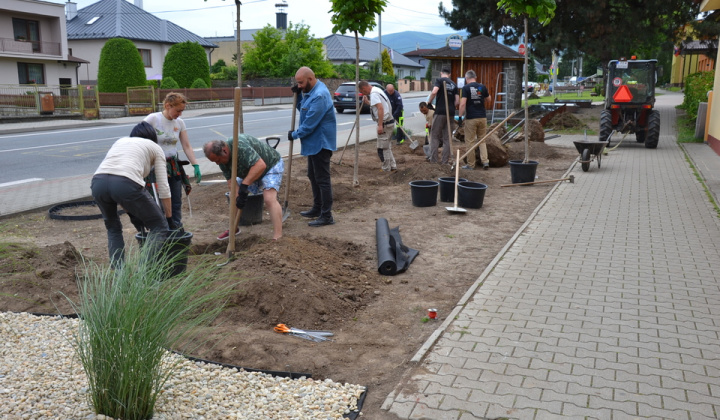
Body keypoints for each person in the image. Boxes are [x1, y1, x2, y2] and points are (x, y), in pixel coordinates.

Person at [91, 121, 172, 267]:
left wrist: (133, 214)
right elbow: (164, 188)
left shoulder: (121, 141)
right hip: (125, 182)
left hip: (98, 182)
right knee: (159, 227)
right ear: (153, 137)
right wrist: (168, 218)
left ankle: (119, 274)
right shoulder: (155, 147)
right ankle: (142, 275)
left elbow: (120, 192)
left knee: (113, 228)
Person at [203, 136, 284, 241]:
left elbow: (260, 165)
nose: (217, 163)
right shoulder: (222, 161)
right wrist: (238, 197)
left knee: (269, 198)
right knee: (234, 198)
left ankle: (278, 236)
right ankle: (233, 228)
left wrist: (245, 185)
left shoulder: (239, 145)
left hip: (270, 166)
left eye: (218, 160)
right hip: (250, 170)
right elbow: (232, 183)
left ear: (224, 151)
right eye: (214, 162)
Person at [143, 92, 201, 228]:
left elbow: (186, 145)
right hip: (155, 166)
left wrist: (196, 165)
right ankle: (161, 229)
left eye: (182, 111)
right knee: (159, 200)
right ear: (168, 106)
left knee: (176, 199)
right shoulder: (153, 119)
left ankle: (176, 228)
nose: (180, 114)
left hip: (173, 165)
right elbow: (139, 139)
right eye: (178, 110)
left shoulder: (179, 123)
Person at [288, 66, 336, 227]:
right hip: (314, 143)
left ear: (310, 79)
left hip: (321, 143)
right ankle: (317, 208)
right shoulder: (311, 93)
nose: (299, 85)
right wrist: (299, 95)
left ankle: (327, 215)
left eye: (301, 83)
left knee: (322, 179)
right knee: (312, 175)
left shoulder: (320, 95)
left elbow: (309, 124)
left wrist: (294, 135)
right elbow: (304, 111)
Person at [359, 80, 397, 172]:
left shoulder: (374, 94)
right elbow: (377, 106)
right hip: (389, 122)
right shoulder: (377, 90)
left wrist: (380, 125)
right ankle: (392, 166)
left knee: (382, 147)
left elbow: (380, 108)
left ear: (364, 88)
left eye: (362, 91)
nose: (363, 93)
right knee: (387, 146)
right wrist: (368, 102)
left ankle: (386, 168)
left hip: (385, 123)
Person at [458, 70, 491, 170]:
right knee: (482, 140)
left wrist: (460, 117)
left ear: (467, 78)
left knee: (470, 141)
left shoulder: (466, 88)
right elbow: (489, 99)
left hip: (471, 118)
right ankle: (485, 162)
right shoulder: (481, 87)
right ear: (475, 77)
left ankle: (471, 165)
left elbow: (463, 103)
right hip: (482, 117)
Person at [427, 68, 459, 165]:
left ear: (441, 73)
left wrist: (429, 102)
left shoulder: (439, 80)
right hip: (451, 112)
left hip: (440, 111)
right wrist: (452, 107)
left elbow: (434, 92)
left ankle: (434, 160)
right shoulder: (454, 84)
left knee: (435, 136)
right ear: (449, 74)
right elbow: (457, 101)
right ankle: (445, 161)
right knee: (447, 138)